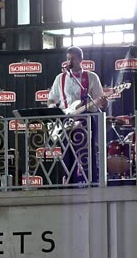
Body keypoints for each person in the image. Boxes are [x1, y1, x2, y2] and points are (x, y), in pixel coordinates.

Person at [47, 46, 108, 184]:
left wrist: (104, 103)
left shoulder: (91, 77)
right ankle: (69, 181)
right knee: (67, 152)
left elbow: (99, 102)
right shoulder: (59, 78)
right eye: (67, 58)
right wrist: (54, 111)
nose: (69, 61)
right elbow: (51, 99)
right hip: (65, 120)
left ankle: (91, 181)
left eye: (72, 58)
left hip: (86, 118)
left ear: (81, 59)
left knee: (88, 152)